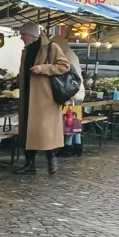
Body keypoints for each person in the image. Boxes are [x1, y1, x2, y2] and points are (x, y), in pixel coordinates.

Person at [13, 22, 70, 175]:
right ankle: (29, 164)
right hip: (28, 96)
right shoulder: (26, 50)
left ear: (31, 35)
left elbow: (64, 66)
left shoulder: (51, 47)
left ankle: (52, 160)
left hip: (45, 98)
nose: (21, 38)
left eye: (23, 35)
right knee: (27, 131)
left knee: (46, 132)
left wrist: (43, 68)